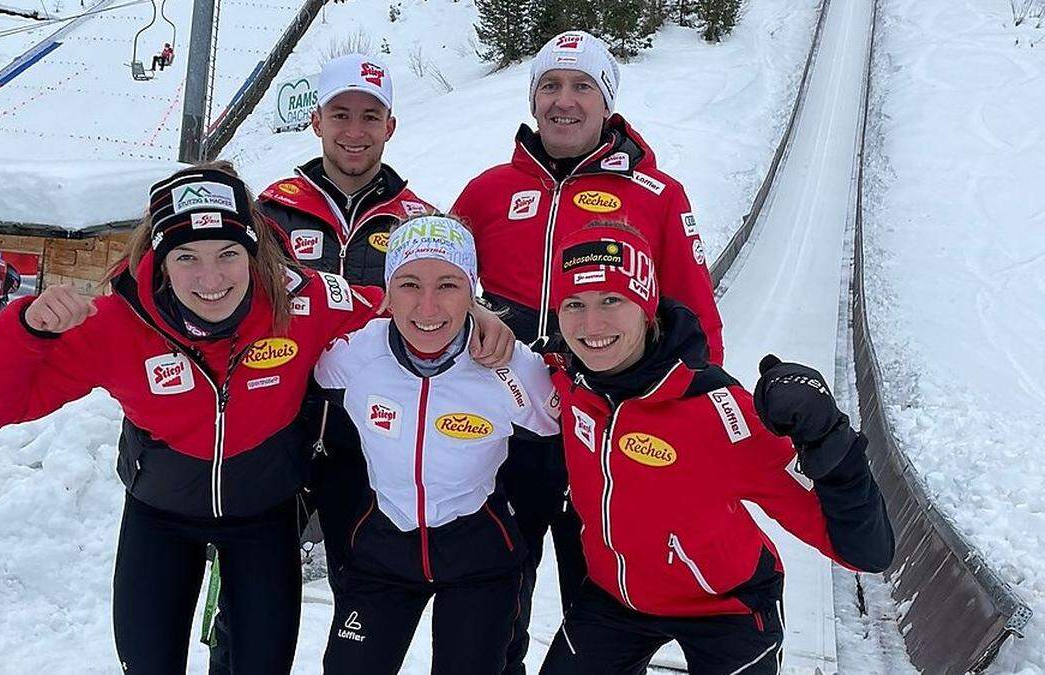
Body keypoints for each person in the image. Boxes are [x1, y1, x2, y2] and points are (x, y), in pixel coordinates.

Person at [0, 162, 387, 675]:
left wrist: (474, 320)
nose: (211, 279)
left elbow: (397, 314)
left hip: (263, 514)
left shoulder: (303, 302)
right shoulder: (116, 324)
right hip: (160, 516)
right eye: (187, 258)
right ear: (161, 261)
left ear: (253, 252)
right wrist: (27, 329)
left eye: (228, 254)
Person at [450, 30, 726, 673]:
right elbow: (436, 289)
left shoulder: (657, 194)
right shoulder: (488, 190)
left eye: (582, 86)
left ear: (608, 103)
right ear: (532, 98)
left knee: (602, 601)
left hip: (607, 429)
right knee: (494, 593)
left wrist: (702, 422)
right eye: (550, 85)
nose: (564, 101)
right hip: (505, 422)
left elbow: (696, 313)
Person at [538, 222, 895, 674]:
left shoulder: (720, 413)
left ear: (647, 304)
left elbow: (867, 552)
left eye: (613, 300)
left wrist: (828, 437)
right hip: (616, 597)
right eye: (574, 304)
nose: (592, 326)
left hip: (726, 608)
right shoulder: (568, 379)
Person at [208, 53, 447, 673]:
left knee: (364, 599)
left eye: (370, 116)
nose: (354, 129)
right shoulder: (268, 211)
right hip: (275, 430)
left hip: (368, 441)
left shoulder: (417, 221)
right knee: (249, 602)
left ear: (390, 126)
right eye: (340, 113)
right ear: (316, 120)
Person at [315, 215, 559, 674]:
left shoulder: (510, 367)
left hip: (478, 556)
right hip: (383, 549)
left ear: (473, 292)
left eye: (448, 285)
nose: (427, 308)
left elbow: (561, 426)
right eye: (409, 284)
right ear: (386, 291)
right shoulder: (352, 355)